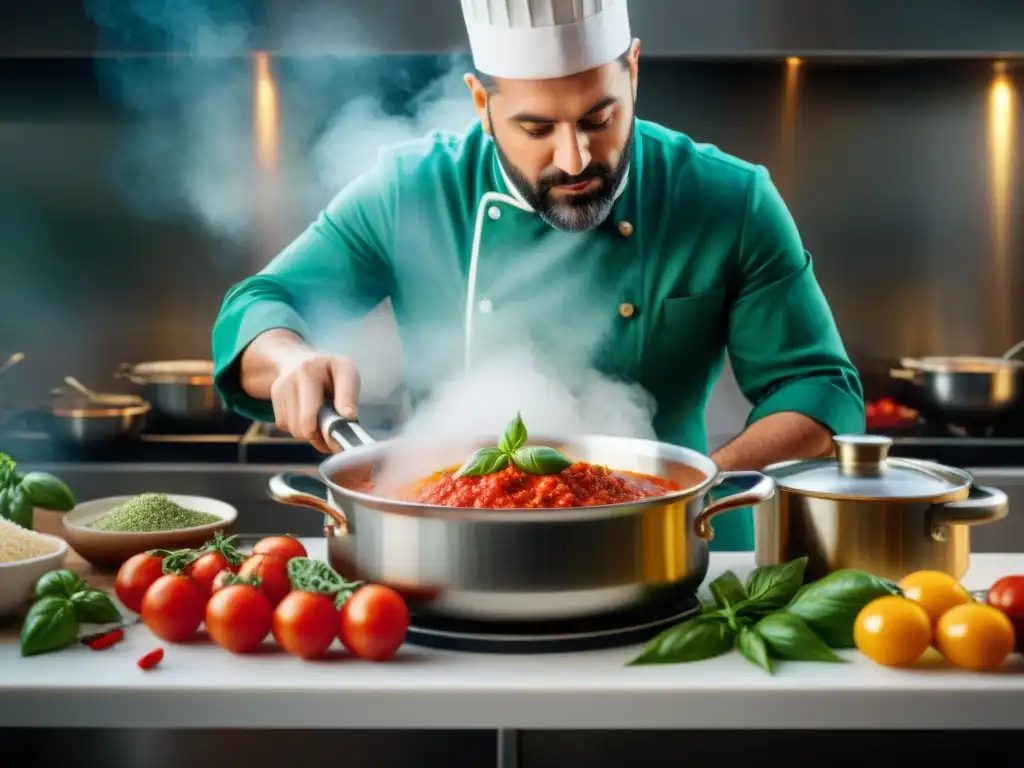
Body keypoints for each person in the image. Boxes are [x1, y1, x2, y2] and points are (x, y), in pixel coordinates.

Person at [211, 0, 864, 551]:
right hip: (452, 547)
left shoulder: (728, 198)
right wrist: (288, 358)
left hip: (675, 547)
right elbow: (260, 304)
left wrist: (687, 493)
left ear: (632, 71)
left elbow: (817, 387)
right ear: (482, 104)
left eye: (598, 119)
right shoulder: (412, 190)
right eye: (536, 127)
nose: (575, 157)